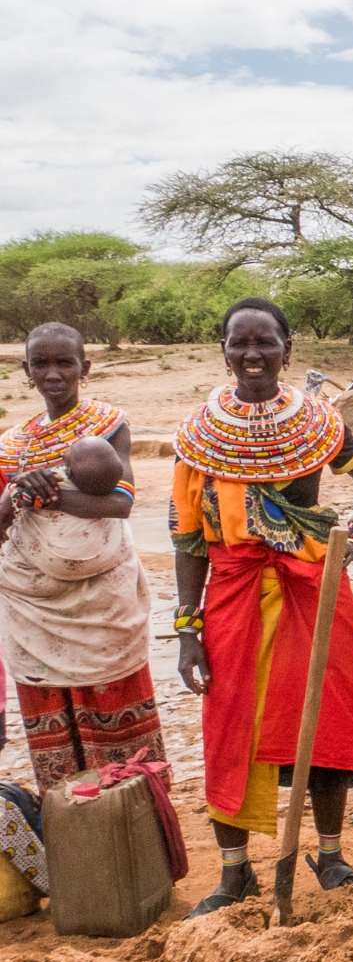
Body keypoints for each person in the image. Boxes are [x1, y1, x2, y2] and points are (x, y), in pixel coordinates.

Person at [172, 297, 353, 917]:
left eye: (266, 343)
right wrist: (188, 628)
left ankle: (333, 854)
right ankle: (235, 873)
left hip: (312, 586)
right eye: (241, 343)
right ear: (224, 351)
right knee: (230, 726)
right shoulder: (198, 435)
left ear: (288, 351)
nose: (253, 354)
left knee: (326, 715)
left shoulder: (316, 423)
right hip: (233, 594)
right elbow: (187, 537)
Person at [0, 322, 166, 793]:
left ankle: (140, 844)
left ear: (84, 368)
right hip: (35, 608)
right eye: (41, 363)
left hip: (101, 606)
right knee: (56, 738)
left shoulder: (107, 426)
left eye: (64, 362)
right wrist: (16, 492)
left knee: (121, 733)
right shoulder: (14, 445)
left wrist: (44, 496)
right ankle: (77, 846)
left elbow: (120, 503)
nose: (53, 374)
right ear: (26, 370)